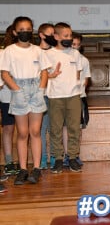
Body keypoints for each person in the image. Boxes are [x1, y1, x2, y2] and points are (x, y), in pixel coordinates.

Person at [0, 16, 50, 185]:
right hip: (18, 89)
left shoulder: (38, 50)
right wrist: (16, 89)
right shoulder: (9, 50)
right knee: (22, 133)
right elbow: (5, 73)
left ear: (32, 31)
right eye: (21, 30)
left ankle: (36, 168)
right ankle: (22, 169)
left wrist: (41, 89)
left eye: (28, 29)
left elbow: (44, 71)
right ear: (15, 32)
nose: (25, 32)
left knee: (35, 131)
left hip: (35, 88)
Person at [45, 22, 82, 174]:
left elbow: (78, 73)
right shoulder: (48, 54)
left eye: (70, 35)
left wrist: (76, 88)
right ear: (56, 36)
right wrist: (51, 75)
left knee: (74, 128)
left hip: (73, 95)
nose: (69, 38)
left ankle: (72, 157)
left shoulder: (75, 53)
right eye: (65, 36)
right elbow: (42, 75)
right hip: (55, 96)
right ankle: (58, 158)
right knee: (56, 129)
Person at [61, 32, 91, 167]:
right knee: (65, 127)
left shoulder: (84, 60)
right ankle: (66, 155)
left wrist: (77, 86)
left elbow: (85, 80)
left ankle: (75, 154)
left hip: (79, 97)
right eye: (73, 44)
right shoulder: (61, 58)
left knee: (77, 128)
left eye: (78, 45)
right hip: (63, 97)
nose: (76, 47)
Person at [38, 23, 58, 169]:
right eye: (49, 34)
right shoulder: (34, 52)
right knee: (41, 129)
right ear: (41, 35)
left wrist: (52, 76)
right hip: (41, 96)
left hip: (55, 95)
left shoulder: (56, 52)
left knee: (54, 129)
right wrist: (47, 76)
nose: (52, 37)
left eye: (54, 34)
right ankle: (42, 158)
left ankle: (55, 156)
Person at [0, 25, 18, 176]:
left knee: (26, 130)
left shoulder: (30, 51)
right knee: (8, 128)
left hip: (25, 98)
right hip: (7, 97)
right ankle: (8, 161)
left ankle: (22, 162)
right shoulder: (3, 53)